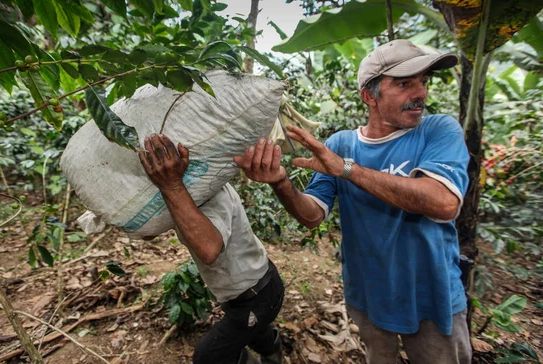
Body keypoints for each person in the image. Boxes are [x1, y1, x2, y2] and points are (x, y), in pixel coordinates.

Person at [234, 39, 472, 363]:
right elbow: (312, 215)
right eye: (404, 84)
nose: (420, 93)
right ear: (369, 96)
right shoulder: (341, 143)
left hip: (434, 299)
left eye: (423, 82)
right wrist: (281, 184)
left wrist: (347, 169)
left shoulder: (438, 130)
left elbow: (442, 202)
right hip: (370, 298)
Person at [138, 133, 284, 364]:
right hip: (244, 295)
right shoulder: (184, 193)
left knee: (208, 357)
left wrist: (172, 185)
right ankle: (272, 350)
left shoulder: (210, 194)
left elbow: (209, 249)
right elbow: (147, 232)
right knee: (255, 332)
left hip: (257, 295)